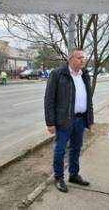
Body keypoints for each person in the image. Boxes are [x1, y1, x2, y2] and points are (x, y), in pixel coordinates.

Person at [44, 49, 94, 193]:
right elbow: (49, 100)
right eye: (80, 58)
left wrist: (89, 119)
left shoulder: (84, 75)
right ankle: (59, 178)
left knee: (76, 149)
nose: (83, 60)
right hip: (64, 120)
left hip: (80, 120)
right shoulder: (58, 74)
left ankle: (73, 175)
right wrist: (50, 122)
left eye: (84, 58)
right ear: (71, 59)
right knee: (60, 150)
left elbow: (88, 98)